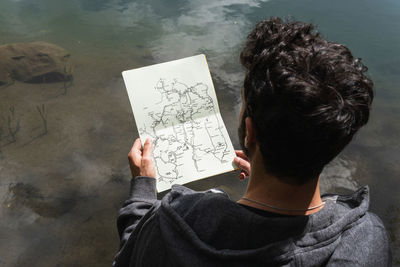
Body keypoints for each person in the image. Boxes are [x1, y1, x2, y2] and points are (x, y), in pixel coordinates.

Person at [113, 17, 392, 266]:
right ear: (338, 137)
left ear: (250, 132)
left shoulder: (173, 222)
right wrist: (265, 177)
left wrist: (142, 192)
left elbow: (132, 256)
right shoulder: (365, 239)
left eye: (243, 102)